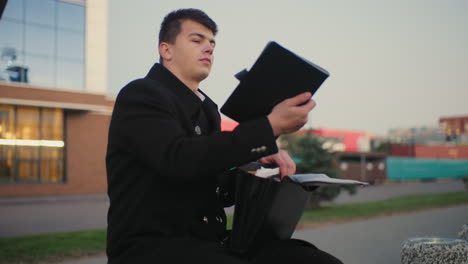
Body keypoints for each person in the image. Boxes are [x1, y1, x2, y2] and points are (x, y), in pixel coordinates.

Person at [106, 8, 343, 264]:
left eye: (212, 43)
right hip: (153, 247)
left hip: (210, 243)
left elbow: (213, 183)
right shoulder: (141, 94)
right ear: (166, 50)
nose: (208, 48)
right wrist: (268, 128)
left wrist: (260, 166)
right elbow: (179, 160)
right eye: (197, 40)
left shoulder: (208, 109)